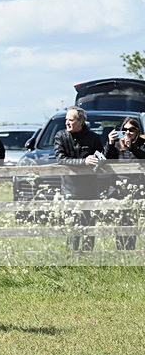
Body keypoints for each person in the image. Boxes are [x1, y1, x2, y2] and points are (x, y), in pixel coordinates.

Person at [55, 106, 104, 252]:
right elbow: (60, 158)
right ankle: (72, 255)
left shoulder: (93, 137)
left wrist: (97, 160)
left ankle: (88, 255)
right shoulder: (61, 136)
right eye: (66, 120)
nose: (67, 123)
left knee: (89, 222)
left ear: (81, 121)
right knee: (73, 223)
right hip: (70, 188)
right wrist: (84, 162)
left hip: (90, 187)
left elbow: (101, 156)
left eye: (71, 120)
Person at [104, 116, 145, 250]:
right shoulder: (117, 144)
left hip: (136, 188)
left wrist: (132, 147)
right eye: (125, 130)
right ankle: (120, 251)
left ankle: (131, 250)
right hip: (118, 188)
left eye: (131, 130)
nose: (128, 133)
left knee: (132, 222)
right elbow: (107, 160)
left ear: (138, 131)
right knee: (120, 222)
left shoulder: (142, 143)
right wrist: (110, 143)